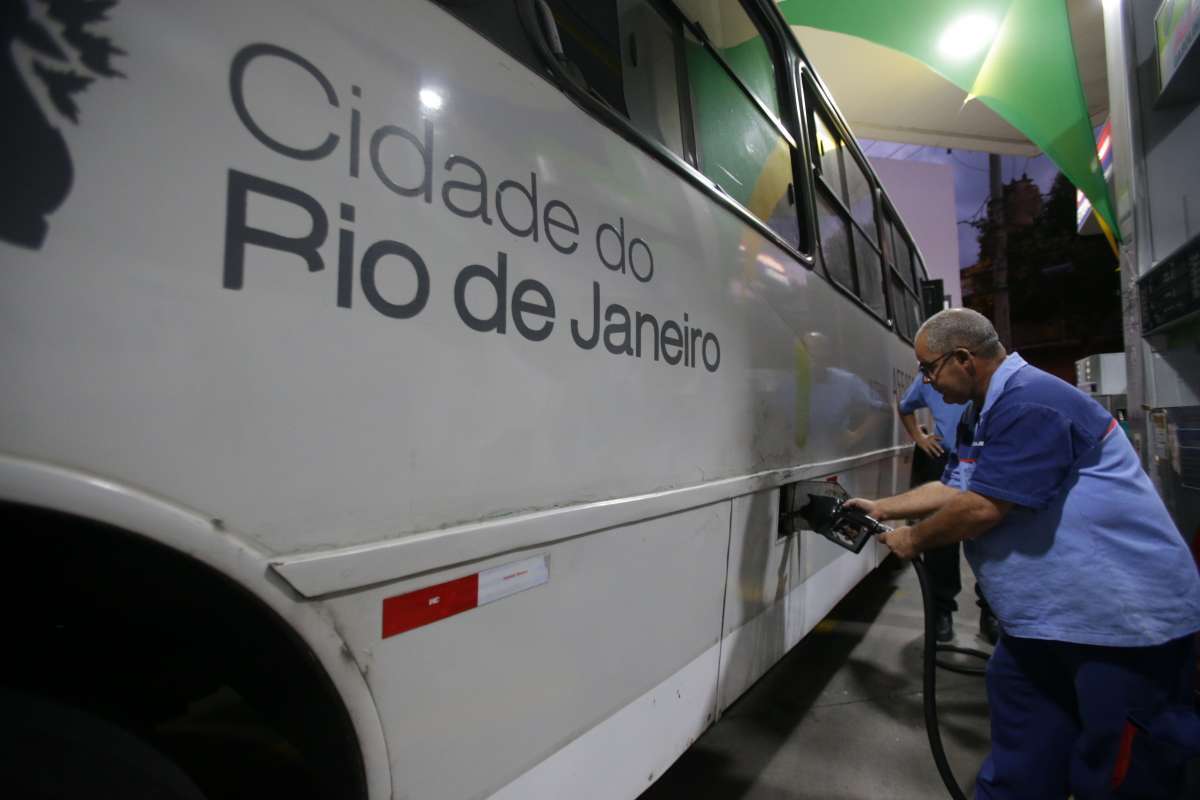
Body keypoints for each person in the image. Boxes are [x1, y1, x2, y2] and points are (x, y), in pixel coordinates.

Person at [849, 308, 1200, 799]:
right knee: (1024, 757)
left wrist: (911, 539)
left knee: (1123, 768)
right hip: (1041, 623)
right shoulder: (982, 410)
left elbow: (983, 507)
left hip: (1118, 625)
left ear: (964, 359)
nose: (926, 384)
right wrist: (882, 506)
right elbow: (956, 488)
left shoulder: (1032, 401)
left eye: (928, 370)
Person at [897, 373, 974, 643]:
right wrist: (920, 437)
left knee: (989, 536)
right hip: (947, 461)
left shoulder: (987, 378)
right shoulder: (927, 379)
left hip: (982, 460)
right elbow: (905, 407)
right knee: (941, 540)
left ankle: (992, 612)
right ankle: (942, 611)